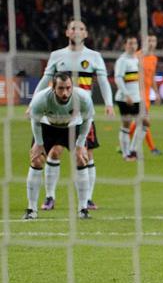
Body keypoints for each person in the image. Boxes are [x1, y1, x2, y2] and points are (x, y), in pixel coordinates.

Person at [31, 19, 113, 211]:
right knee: (54, 151)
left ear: (85, 34)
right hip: (58, 114)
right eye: (73, 28)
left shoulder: (94, 56)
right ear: (67, 32)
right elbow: (45, 80)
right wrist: (34, 101)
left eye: (81, 29)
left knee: (86, 154)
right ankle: (50, 196)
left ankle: (88, 199)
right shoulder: (57, 55)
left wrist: (109, 103)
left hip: (82, 114)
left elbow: (103, 81)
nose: (77, 31)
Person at [26, 73, 96, 220]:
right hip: (47, 127)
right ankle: (31, 209)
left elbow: (87, 119)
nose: (65, 93)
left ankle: (83, 209)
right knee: (36, 160)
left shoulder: (82, 98)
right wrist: (38, 144)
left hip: (72, 128)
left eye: (68, 88)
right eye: (61, 88)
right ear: (53, 88)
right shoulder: (41, 98)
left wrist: (80, 144)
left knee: (81, 159)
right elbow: (36, 120)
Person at [134, 35, 163, 156]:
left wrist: (156, 93)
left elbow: (152, 78)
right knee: (144, 122)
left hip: (146, 95)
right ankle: (152, 148)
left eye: (154, 40)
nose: (151, 43)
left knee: (140, 123)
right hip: (137, 94)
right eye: (149, 40)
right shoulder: (136, 56)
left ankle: (123, 145)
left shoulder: (154, 58)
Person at [113, 36, 142, 161]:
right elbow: (118, 78)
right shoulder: (122, 60)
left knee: (143, 122)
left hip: (136, 98)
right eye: (130, 43)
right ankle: (126, 154)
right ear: (125, 45)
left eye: (135, 43)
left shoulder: (137, 59)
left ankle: (133, 150)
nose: (133, 46)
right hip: (125, 98)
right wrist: (126, 94)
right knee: (127, 124)